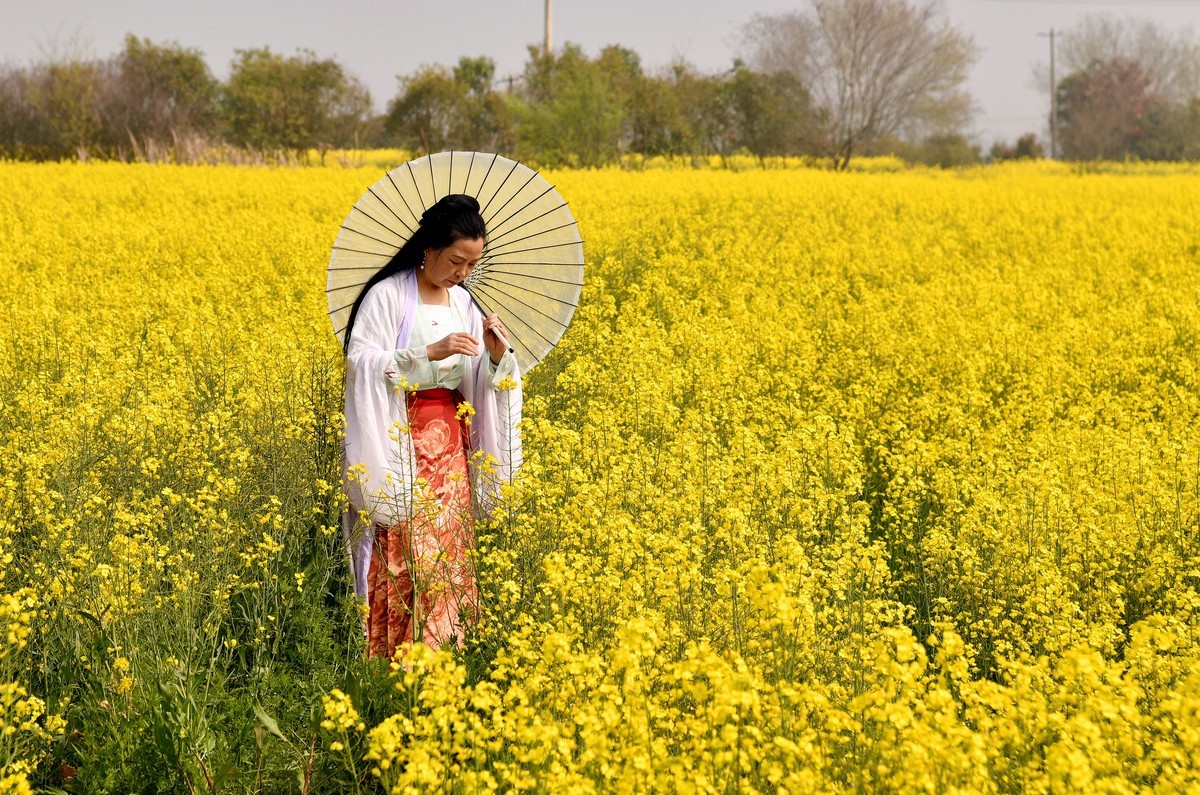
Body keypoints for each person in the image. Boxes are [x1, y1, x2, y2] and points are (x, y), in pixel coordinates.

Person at [340, 194, 522, 659]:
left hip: (451, 449)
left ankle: (447, 658)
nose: (463, 274)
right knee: (405, 552)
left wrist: (497, 356)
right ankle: (397, 660)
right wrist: (428, 354)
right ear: (428, 246)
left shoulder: (464, 302)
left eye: (471, 264)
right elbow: (362, 365)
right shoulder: (385, 296)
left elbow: (476, 379)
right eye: (456, 260)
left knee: (447, 553)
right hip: (400, 442)